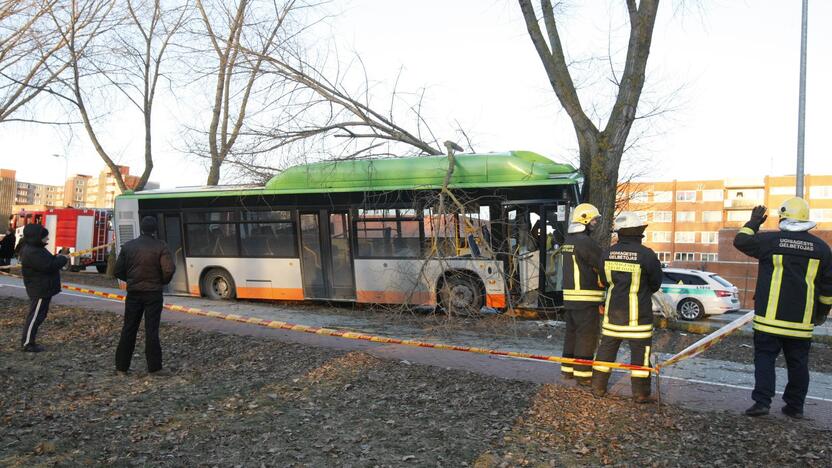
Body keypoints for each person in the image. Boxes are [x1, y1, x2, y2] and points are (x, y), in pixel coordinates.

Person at [734, 199, 832, 419]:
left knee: (765, 359)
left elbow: (741, 240)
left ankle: (762, 403)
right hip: (801, 322)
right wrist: (822, 313)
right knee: (798, 364)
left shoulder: (770, 241)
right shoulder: (822, 249)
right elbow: (828, 289)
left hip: (769, 319)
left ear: (783, 218)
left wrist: (754, 221)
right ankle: (795, 407)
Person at [591, 212, 663, 403]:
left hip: (612, 318)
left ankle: (597, 388)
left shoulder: (607, 254)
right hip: (639, 320)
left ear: (620, 233)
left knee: (605, 353)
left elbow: (604, 281)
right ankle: (640, 394)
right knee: (641, 357)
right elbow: (656, 283)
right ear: (638, 233)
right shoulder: (647, 255)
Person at [114, 216, 175, 375]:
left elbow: (117, 270)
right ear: (155, 230)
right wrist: (160, 282)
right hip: (153, 294)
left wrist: (132, 280)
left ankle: (121, 366)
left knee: (129, 328)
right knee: (152, 330)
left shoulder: (128, 246)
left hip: (134, 293)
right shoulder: (161, 246)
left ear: (141, 228)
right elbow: (169, 269)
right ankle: (154, 367)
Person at [559, 203, 605, 386]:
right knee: (587, 336)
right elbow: (602, 264)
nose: (595, 222)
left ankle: (568, 370)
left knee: (572, 334)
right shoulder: (586, 243)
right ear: (585, 219)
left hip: (570, 299)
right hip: (586, 299)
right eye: (593, 219)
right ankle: (584, 374)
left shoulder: (569, 242)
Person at [19, 224, 68, 352]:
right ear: (36, 237)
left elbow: (48, 261)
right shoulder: (32, 251)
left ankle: (29, 341)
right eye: (45, 237)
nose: (47, 239)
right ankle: (27, 343)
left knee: (40, 315)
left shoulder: (37, 249)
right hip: (39, 289)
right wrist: (62, 259)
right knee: (35, 316)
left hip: (43, 288)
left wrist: (59, 256)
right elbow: (48, 266)